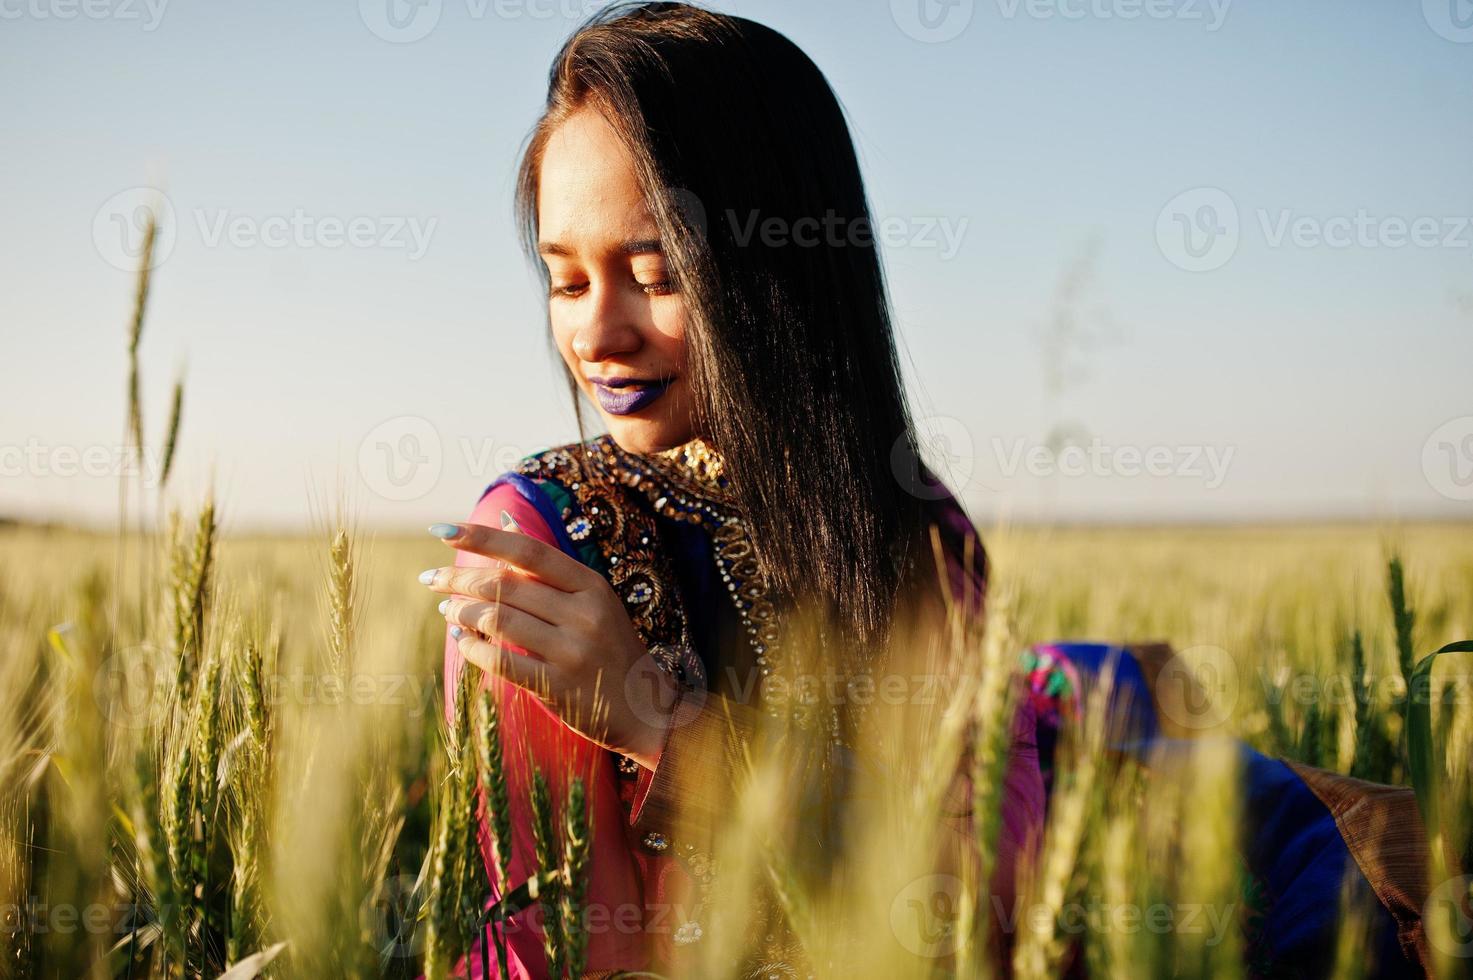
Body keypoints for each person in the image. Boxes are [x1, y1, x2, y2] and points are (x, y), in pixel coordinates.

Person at [417, 3, 1046, 975]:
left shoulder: (921, 530)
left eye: (654, 271)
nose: (598, 334)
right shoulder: (539, 544)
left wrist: (661, 725)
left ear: (780, 272)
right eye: (566, 281)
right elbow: (550, 940)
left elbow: (992, 893)